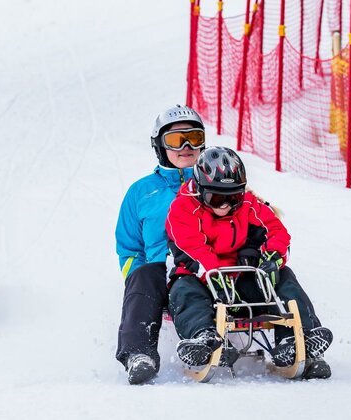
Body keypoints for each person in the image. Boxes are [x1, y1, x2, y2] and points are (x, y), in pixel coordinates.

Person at [165, 146, 333, 379]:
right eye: (215, 198)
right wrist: (216, 275)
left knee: (284, 277)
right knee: (184, 289)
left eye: (232, 197)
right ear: (200, 191)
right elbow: (192, 248)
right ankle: (204, 340)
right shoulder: (182, 208)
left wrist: (272, 258)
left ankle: (299, 339)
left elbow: (276, 231)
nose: (225, 205)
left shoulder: (248, 205)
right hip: (202, 277)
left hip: (242, 278)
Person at [114, 105, 206, 384]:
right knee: (144, 277)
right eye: (176, 140)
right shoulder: (140, 191)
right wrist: (139, 275)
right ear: (159, 145)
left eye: (194, 137)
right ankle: (138, 354)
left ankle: (206, 345)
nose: (187, 146)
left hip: (205, 266)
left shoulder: (215, 181)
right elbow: (129, 247)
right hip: (159, 270)